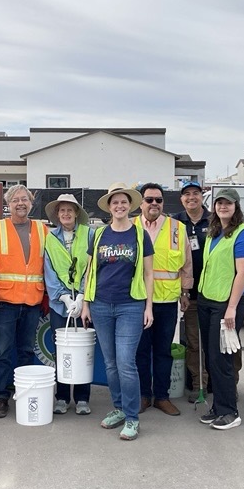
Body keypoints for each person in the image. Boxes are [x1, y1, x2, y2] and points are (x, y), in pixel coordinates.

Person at [81, 183, 154, 441]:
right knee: (110, 364)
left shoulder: (139, 235)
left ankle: (133, 418)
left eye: (124, 202)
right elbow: (90, 271)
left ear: (130, 205)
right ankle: (119, 408)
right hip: (100, 305)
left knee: (125, 362)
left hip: (130, 306)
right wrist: (86, 303)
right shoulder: (99, 234)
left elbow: (148, 273)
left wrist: (149, 307)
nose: (120, 206)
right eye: (115, 202)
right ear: (109, 207)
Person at [0, 185, 49, 419]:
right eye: (15, 200)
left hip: (33, 300)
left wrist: (47, 293)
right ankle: (1, 396)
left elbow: (47, 264)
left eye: (25, 200)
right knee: (2, 351)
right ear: (7, 205)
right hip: (5, 301)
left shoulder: (43, 229)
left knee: (26, 351)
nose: (21, 203)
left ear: (31, 203)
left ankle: (25, 393)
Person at [195, 188, 244, 431]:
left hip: (227, 304)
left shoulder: (243, 235)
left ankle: (230, 411)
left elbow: (243, 273)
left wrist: (231, 308)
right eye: (219, 203)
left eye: (228, 204)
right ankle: (218, 406)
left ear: (236, 206)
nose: (223, 207)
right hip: (208, 299)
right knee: (212, 357)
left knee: (222, 358)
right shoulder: (214, 232)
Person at [135, 183, 192, 417]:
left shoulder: (177, 228)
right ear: (140, 203)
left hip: (167, 300)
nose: (154, 204)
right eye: (149, 200)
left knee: (163, 351)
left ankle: (162, 396)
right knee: (139, 351)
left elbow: (186, 263)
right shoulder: (130, 227)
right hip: (137, 300)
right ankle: (142, 396)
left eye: (158, 200)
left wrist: (185, 292)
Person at [43, 193, 93, 415]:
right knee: (61, 352)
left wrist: (82, 296)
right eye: (62, 210)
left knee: (83, 351)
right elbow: (48, 270)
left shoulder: (90, 235)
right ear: (57, 215)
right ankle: (62, 397)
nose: (66, 214)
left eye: (69, 210)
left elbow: (92, 267)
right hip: (59, 305)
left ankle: (82, 398)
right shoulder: (50, 238)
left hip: (84, 304)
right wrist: (63, 297)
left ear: (76, 213)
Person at [174, 181, 210, 401]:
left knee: (216, 343)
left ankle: (221, 384)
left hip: (215, 293)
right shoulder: (175, 222)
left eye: (195, 193)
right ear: (181, 199)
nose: (191, 197)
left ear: (202, 196)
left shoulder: (215, 219)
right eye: (186, 194)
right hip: (190, 294)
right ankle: (199, 385)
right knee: (194, 343)